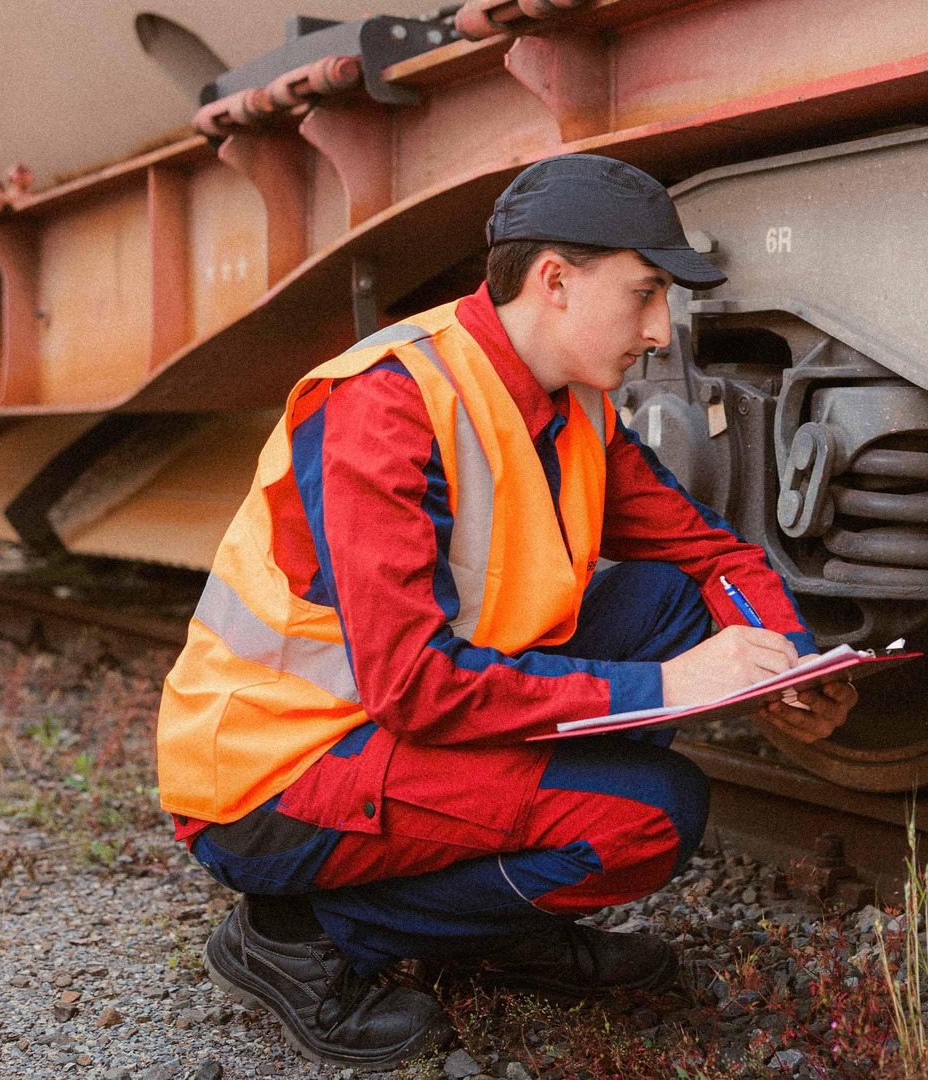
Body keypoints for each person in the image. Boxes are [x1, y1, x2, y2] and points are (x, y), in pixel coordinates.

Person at [154, 154, 856, 1069]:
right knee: (648, 819)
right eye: (644, 295)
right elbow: (414, 685)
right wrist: (664, 683)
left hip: (409, 723)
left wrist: (789, 667)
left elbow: (710, 558)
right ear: (554, 281)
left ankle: (486, 918)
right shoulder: (386, 406)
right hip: (280, 770)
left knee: (680, 599)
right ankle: (297, 937)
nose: (658, 331)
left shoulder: (576, 408)